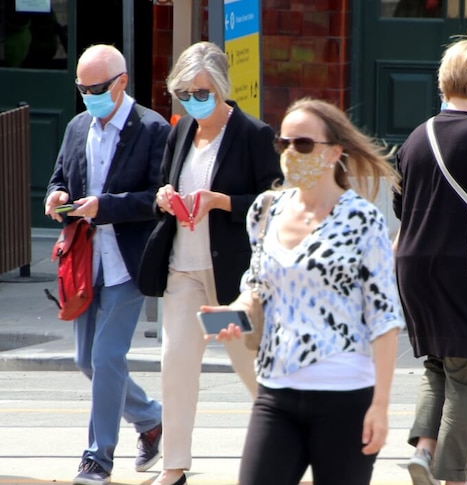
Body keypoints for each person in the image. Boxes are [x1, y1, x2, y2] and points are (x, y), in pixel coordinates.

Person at [213, 97, 405, 485]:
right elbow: (257, 286)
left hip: (345, 394)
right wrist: (236, 314)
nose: (289, 154)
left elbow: (385, 319)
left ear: (335, 152)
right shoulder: (265, 210)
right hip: (276, 390)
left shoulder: (361, 219)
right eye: (283, 144)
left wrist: (380, 406)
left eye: (302, 145)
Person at [134, 41, 282, 485]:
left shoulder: (252, 134)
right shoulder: (180, 131)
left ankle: (294, 446)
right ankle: (174, 467)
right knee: (176, 365)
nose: (195, 101)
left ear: (221, 88)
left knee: (251, 369)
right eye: (186, 93)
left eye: (203, 93)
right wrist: (164, 197)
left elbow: (273, 200)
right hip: (183, 272)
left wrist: (220, 201)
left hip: (231, 279)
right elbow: (164, 182)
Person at [44, 44, 167, 485]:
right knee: (88, 361)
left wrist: (105, 207)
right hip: (83, 262)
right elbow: (61, 175)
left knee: (107, 355)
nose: (89, 96)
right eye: (82, 89)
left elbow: (158, 200)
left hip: (129, 263)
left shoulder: (152, 128)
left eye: (96, 88)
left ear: (122, 83)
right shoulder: (78, 126)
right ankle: (151, 418)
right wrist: (56, 196)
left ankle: (98, 458)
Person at [393, 38, 467, 485]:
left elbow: (402, 208)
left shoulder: (415, 138)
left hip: (414, 266)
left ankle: (425, 451)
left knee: (438, 363)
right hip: (465, 267)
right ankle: (454, 475)